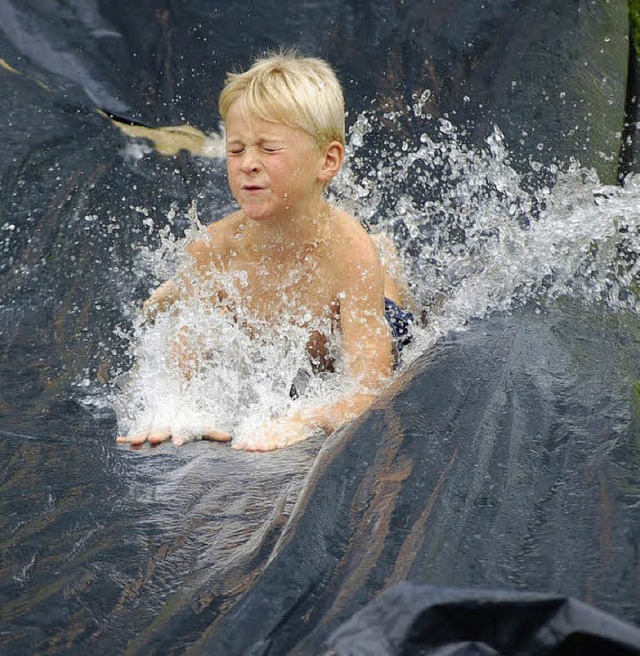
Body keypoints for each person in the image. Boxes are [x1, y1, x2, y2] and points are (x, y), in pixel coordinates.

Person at [116, 50, 413, 452]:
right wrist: (170, 414)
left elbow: (369, 390)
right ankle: (179, 287)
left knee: (396, 317)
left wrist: (304, 418)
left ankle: (387, 262)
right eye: (236, 150)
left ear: (327, 161)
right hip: (278, 345)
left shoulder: (350, 254)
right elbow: (178, 368)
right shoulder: (213, 249)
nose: (247, 164)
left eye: (269, 149)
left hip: (360, 326)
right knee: (173, 308)